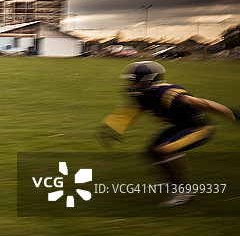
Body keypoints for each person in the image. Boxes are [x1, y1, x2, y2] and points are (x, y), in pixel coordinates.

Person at [100, 61, 239, 207]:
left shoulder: (167, 94)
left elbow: (203, 103)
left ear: (148, 80)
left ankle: (184, 191)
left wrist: (230, 113)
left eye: (135, 81)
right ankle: (172, 182)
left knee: (164, 150)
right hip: (180, 127)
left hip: (200, 128)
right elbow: (136, 109)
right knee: (152, 152)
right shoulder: (145, 94)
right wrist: (114, 126)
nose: (131, 85)